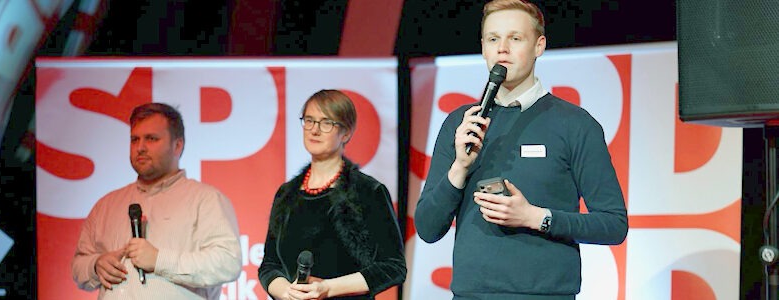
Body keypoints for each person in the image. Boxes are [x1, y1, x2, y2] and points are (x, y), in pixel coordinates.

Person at [414, 0, 629, 299]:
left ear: (539, 46)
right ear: (483, 48)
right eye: (493, 39)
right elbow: (427, 228)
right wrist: (459, 168)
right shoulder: (462, 123)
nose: (502, 48)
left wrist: (535, 217)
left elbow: (613, 225)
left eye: (515, 38)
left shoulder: (574, 124)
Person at [71, 103, 242, 299]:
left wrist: (160, 260)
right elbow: (79, 266)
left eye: (151, 139)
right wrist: (96, 265)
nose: (140, 148)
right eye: (134, 140)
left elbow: (228, 263)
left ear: (177, 145)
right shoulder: (106, 205)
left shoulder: (206, 199)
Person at [258, 90, 407, 300]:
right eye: (309, 121)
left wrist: (327, 288)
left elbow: (393, 267)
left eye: (326, 122)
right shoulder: (287, 194)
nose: (314, 130)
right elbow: (269, 264)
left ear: (346, 132)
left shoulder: (368, 191)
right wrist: (286, 291)